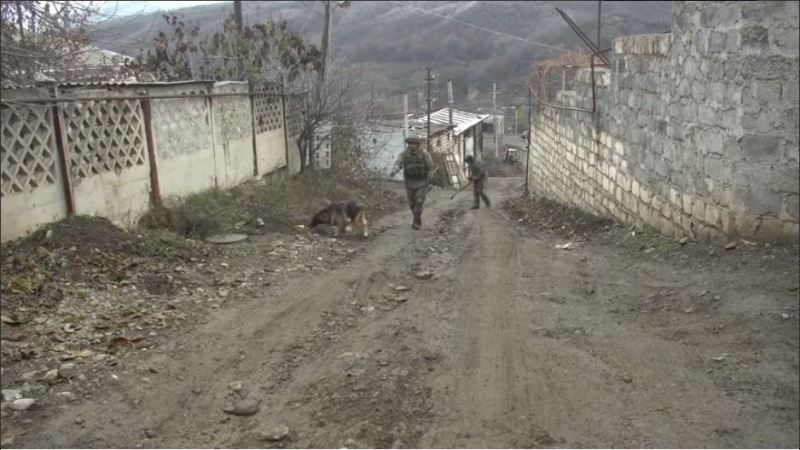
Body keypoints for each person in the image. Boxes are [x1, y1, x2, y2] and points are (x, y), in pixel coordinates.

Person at [390, 134, 434, 229]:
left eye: (413, 144)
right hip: (409, 182)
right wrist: (394, 170)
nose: (411, 146)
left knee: (418, 201)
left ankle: (417, 221)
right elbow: (399, 162)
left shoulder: (424, 154)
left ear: (417, 144)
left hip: (422, 182)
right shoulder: (405, 154)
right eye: (409, 144)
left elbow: (430, 167)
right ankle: (416, 217)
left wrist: (430, 180)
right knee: (411, 204)